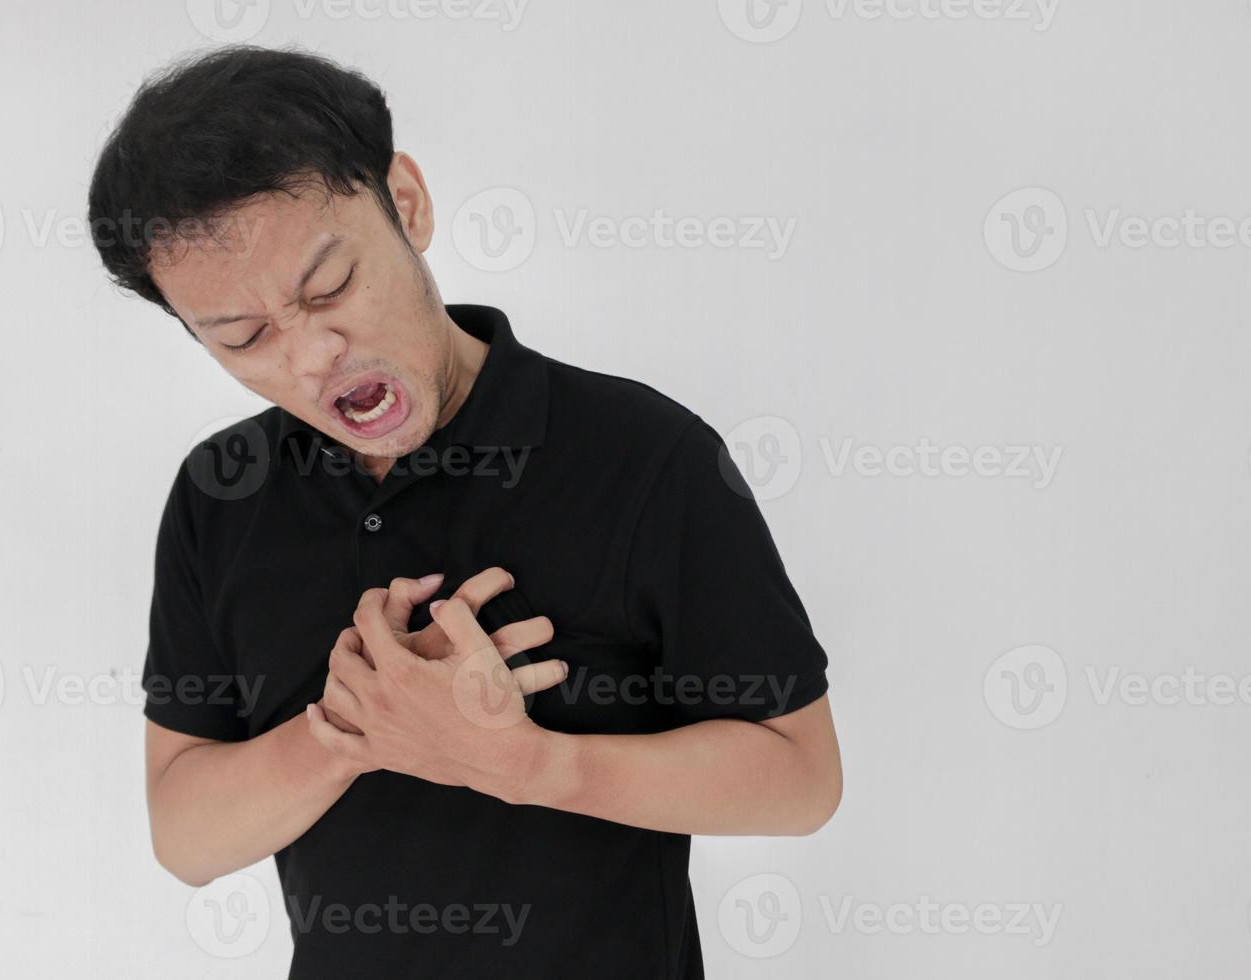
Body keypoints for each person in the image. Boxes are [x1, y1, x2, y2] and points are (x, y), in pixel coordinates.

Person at [88, 44, 842, 979]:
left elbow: (801, 779)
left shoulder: (645, 454)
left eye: (329, 288)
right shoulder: (221, 491)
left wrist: (527, 763)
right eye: (244, 338)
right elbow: (186, 836)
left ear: (406, 203)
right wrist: (353, 721)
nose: (314, 354)